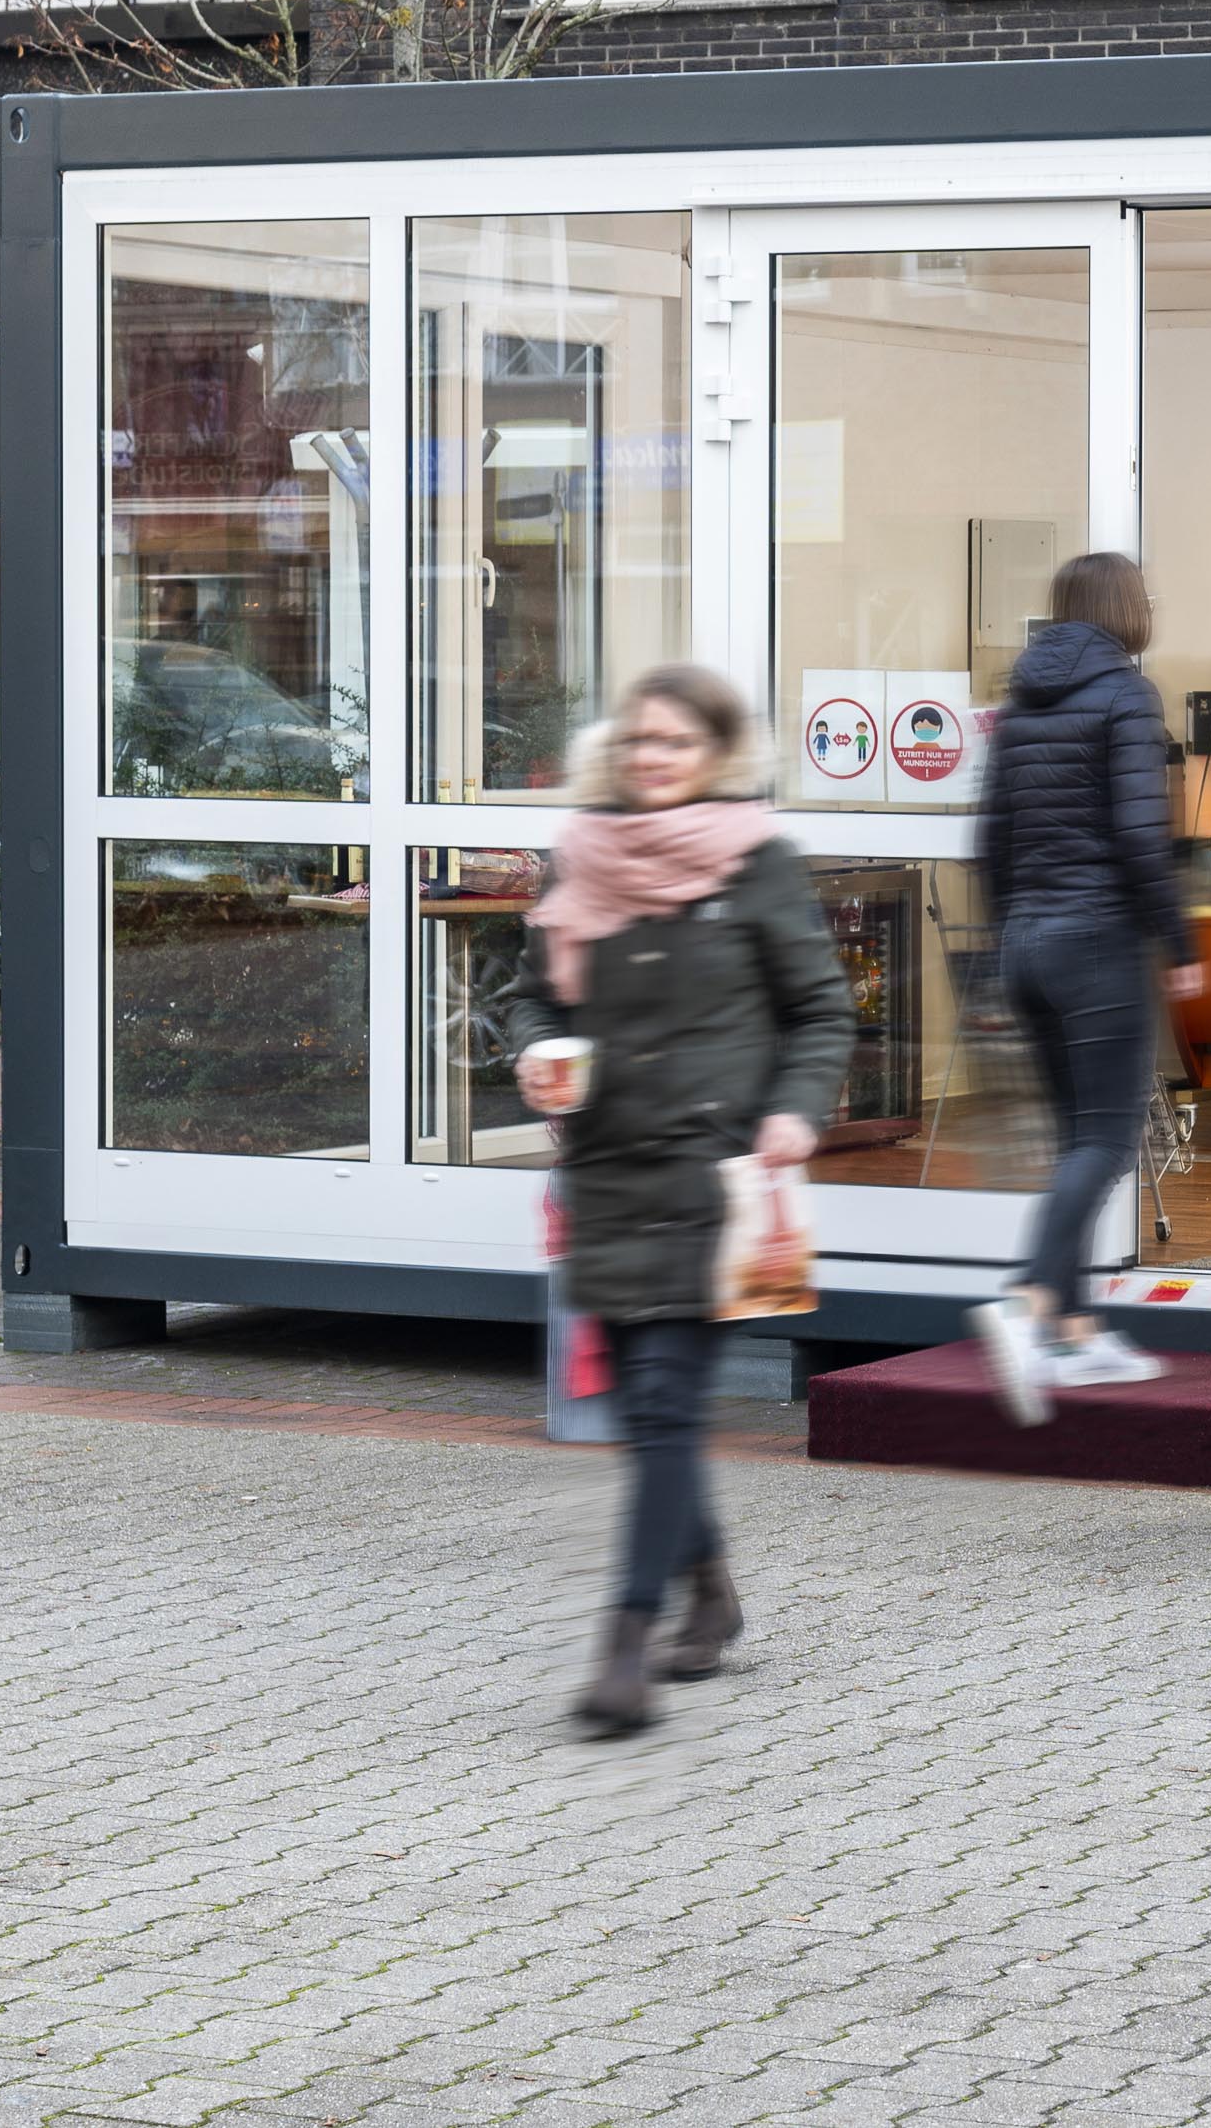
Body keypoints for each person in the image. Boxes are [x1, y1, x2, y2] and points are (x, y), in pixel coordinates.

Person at [513, 662, 850, 1739]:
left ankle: (625, 1652)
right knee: (645, 1412)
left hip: (716, 1179)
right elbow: (532, 998)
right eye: (641, 739)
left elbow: (820, 1013)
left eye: (678, 742)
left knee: (661, 1403)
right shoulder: (581, 858)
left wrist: (796, 1111)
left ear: (716, 757)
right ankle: (710, 1591)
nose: (654, 757)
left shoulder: (758, 865)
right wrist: (534, 1058)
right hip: (608, 1169)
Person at [966, 552, 1210, 1422]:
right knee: (1106, 1142)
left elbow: (989, 840)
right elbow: (1143, 841)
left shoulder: (1018, 701)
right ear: (1128, 609)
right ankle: (1030, 1303)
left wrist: (1008, 941)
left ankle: (1071, 1326)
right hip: (1099, 943)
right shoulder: (1126, 697)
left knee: (1077, 1139)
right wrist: (1178, 941)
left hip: (1029, 942)